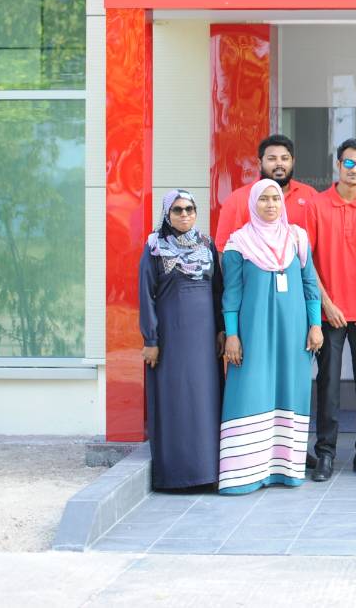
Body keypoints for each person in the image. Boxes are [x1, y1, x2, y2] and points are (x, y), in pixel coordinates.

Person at [218, 179, 323, 494]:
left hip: (294, 333)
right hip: (254, 332)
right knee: (250, 391)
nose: (270, 205)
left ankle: (285, 470)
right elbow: (231, 295)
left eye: (275, 199)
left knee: (290, 390)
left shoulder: (297, 238)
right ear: (253, 204)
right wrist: (232, 335)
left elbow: (310, 285)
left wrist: (315, 325)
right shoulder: (238, 244)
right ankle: (243, 474)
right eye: (263, 199)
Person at [303, 139, 356, 481]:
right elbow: (306, 260)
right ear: (338, 164)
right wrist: (326, 303)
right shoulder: (316, 205)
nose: (354, 170)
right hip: (329, 314)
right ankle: (325, 453)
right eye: (349, 163)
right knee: (328, 386)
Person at [138, 189, 223, 490]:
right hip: (171, 340)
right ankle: (177, 476)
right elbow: (146, 295)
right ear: (167, 214)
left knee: (204, 400)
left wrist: (222, 330)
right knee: (176, 400)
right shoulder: (155, 247)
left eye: (189, 209)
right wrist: (151, 339)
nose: (184, 214)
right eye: (177, 210)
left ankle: (207, 473)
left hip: (204, 341)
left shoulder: (207, 244)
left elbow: (218, 290)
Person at [213, 134, 317, 250]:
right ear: (259, 163)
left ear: (292, 162)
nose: (279, 163)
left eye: (284, 158)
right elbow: (223, 249)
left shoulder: (310, 196)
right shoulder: (237, 199)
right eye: (272, 159)